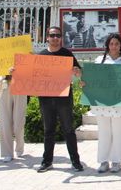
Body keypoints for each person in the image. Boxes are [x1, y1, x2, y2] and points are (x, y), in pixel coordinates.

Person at [35, 26, 84, 173]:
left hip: (64, 97)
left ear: (61, 38)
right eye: (52, 35)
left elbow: (79, 72)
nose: (55, 38)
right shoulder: (41, 56)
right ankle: (47, 161)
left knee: (68, 130)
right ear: (47, 38)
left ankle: (75, 161)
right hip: (46, 98)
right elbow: (32, 75)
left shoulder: (67, 54)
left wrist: (77, 72)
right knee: (48, 130)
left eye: (58, 35)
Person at [90, 33, 121, 173]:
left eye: (116, 44)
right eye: (111, 44)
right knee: (104, 132)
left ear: (120, 45)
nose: (114, 46)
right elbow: (93, 79)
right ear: (107, 45)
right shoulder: (99, 60)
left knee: (119, 132)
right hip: (103, 104)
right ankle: (103, 161)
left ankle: (117, 161)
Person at [0, 64, 28, 162]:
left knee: (19, 123)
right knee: (5, 122)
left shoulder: (24, 50)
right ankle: (7, 152)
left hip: (21, 85)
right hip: (5, 86)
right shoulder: (1, 52)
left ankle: (19, 147)